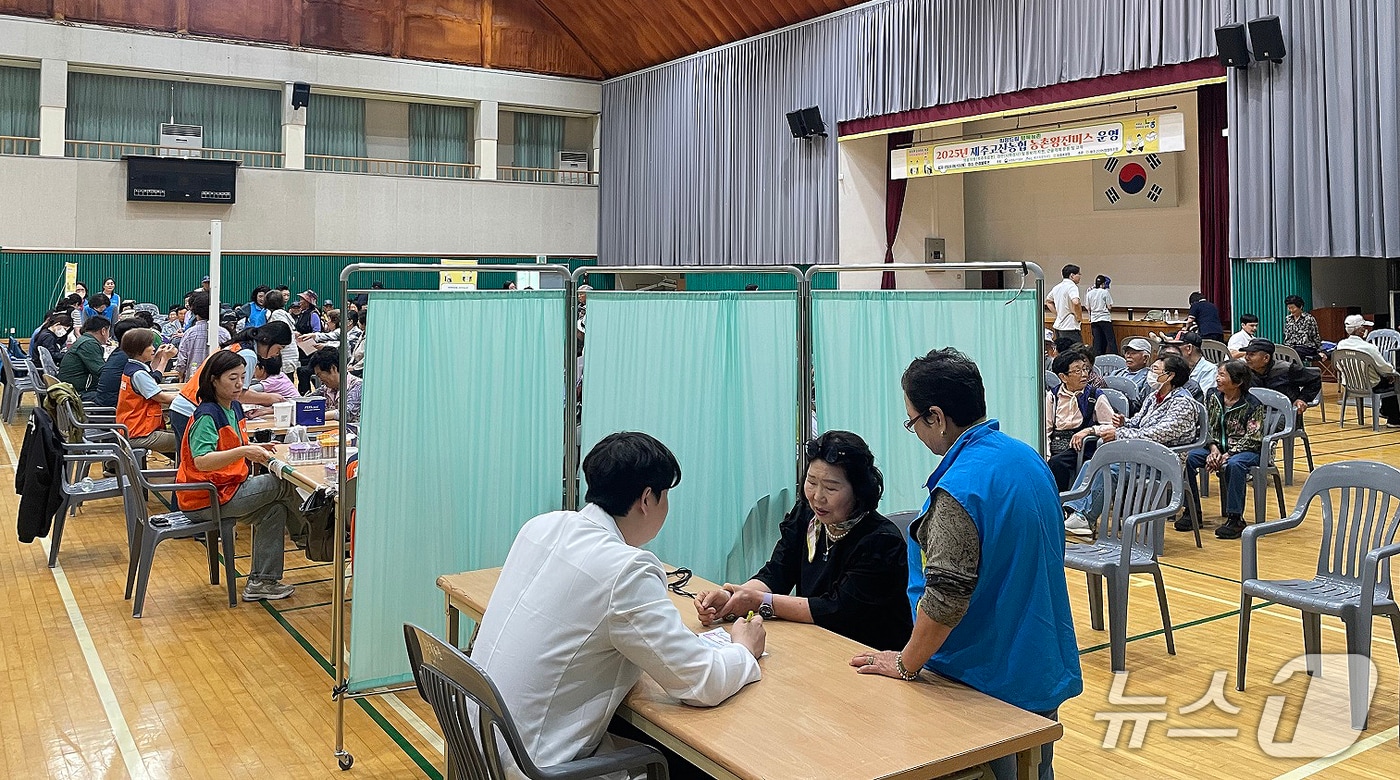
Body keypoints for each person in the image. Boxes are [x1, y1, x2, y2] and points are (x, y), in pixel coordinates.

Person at [471, 432, 765, 775]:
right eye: (666, 495)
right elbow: (701, 682)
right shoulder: (626, 570)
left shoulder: (543, 525)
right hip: (537, 766)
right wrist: (744, 649)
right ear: (646, 499)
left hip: (482, 742)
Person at [853, 348, 1080, 780]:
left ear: (936, 417)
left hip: (985, 674)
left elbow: (944, 601)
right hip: (1038, 657)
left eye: (913, 421)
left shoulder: (960, 489)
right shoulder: (1025, 458)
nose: (915, 431)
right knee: (1037, 769)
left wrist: (905, 664)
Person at [694, 431, 912, 651]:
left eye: (831, 488)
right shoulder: (807, 516)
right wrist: (732, 597)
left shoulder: (881, 542)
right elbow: (777, 572)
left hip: (866, 654)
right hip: (816, 643)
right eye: (811, 482)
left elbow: (837, 610)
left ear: (859, 490)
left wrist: (761, 601)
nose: (817, 497)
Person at [175, 350, 300, 601]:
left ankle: (262, 582)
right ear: (213, 379)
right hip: (206, 498)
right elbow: (201, 461)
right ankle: (310, 537)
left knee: (274, 511)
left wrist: (255, 450)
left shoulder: (234, 408)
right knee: (284, 485)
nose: (240, 384)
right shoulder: (207, 415)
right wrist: (244, 451)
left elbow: (233, 448)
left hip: (228, 489)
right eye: (233, 378)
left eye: (243, 377)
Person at [1063, 355, 1201, 533]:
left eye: (1155, 371)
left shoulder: (1183, 404)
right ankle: (1074, 513)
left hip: (1162, 462)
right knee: (1092, 463)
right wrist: (1122, 423)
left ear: (1170, 376)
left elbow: (1155, 435)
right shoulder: (1154, 397)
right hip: (1141, 456)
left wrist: (1118, 433)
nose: (1150, 374)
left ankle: (1085, 517)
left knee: (1108, 468)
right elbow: (1137, 423)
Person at [168, 322, 294, 449]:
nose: (277, 354)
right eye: (279, 348)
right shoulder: (248, 355)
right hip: (193, 408)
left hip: (184, 405)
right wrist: (269, 399)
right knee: (199, 460)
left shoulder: (237, 346)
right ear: (267, 340)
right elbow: (238, 394)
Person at [1185, 361, 1265, 540]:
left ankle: (1235, 518)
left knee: (1234, 465)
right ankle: (1191, 512)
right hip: (1217, 448)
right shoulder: (1212, 395)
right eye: (1218, 374)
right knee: (1188, 458)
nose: (1217, 379)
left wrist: (1228, 454)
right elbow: (1207, 426)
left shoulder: (1253, 405)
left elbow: (1253, 437)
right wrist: (1213, 448)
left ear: (1237, 382)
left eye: (1222, 375)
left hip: (1246, 451)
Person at [1045, 350, 1114, 501]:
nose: (1084, 374)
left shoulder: (1095, 395)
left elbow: (1112, 426)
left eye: (1085, 369)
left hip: (1081, 446)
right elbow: (1047, 429)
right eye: (1077, 370)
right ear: (1063, 377)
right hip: (1057, 442)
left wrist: (1089, 431)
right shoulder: (1053, 396)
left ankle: (1060, 503)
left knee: (1057, 463)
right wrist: (1046, 452)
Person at [115, 328, 181, 455]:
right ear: (140, 350)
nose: (153, 348)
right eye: (150, 345)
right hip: (140, 434)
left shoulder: (132, 368)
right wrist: (188, 397)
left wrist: (158, 357)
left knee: (179, 434)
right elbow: (161, 397)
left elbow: (153, 378)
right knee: (188, 440)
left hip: (132, 428)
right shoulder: (138, 373)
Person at [1333, 314, 1400, 427]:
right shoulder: (1369, 348)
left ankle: (1385, 411)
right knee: (1393, 380)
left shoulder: (1341, 345)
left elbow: (1338, 366)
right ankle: (1393, 418)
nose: (1366, 329)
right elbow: (1384, 367)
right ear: (1360, 330)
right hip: (1372, 384)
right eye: (1364, 327)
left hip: (1350, 384)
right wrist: (1393, 373)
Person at [1240, 338, 1322, 418]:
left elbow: (1315, 378)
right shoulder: (1246, 371)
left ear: (1266, 358)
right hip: (1255, 416)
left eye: (1251, 355)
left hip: (1284, 416)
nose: (1246, 358)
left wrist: (1302, 399)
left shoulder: (1287, 369)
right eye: (1246, 354)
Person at [92, 319, 157, 408]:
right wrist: (164, 359)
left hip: (110, 404)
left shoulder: (119, 353)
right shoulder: (129, 358)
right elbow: (152, 383)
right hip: (115, 409)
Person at [176, 291, 230, 382]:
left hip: (193, 381)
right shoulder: (224, 333)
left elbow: (181, 363)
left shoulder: (189, 333)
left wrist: (181, 376)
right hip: (218, 382)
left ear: (194, 310)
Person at [56, 315, 111, 399]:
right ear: (103, 331)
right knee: (114, 397)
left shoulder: (84, 340)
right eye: (108, 331)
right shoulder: (89, 343)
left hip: (71, 389)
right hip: (78, 393)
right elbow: (101, 371)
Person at [307, 347, 361, 424]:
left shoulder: (357, 386)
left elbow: (346, 413)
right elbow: (307, 400)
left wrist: (315, 416)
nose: (320, 380)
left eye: (319, 375)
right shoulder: (325, 388)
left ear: (333, 368)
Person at [264, 290, 300, 384]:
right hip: (290, 353)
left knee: (285, 381)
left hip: (285, 354)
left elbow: (282, 330)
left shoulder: (277, 314)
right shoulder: (282, 313)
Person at [1045, 264, 1083, 343]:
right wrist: (1079, 317)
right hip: (1070, 327)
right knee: (1076, 353)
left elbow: (1048, 301)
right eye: (1079, 274)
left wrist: (1058, 314)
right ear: (1072, 275)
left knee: (1062, 353)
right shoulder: (1072, 286)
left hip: (1058, 326)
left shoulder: (1057, 287)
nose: (1080, 276)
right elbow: (1076, 302)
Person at [1113, 338, 1156, 403]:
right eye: (1127, 353)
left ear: (1145, 358)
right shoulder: (1116, 373)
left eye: (1133, 353)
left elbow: (1146, 405)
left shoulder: (1149, 379)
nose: (1128, 356)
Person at [1282, 295, 1322, 361]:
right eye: (1289, 308)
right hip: (1290, 347)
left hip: (1306, 347)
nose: (1291, 310)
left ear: (1300, 307)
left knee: (1294, 353)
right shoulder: (1288, 319)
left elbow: (1315, 336)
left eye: (1293, 308)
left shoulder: (1309, 319)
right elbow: (1286, 335)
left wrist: (1320, 351)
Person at [1085, 275, 1115, 356]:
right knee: (1110, 340)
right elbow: (1109, 306)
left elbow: (1088, 307)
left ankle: (1096, 357)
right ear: (1103, 284)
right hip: (1104, 318)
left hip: (1094, 319)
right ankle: (1114, 356)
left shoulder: (1089, 293)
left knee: (1097, 341)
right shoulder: (1105, 292)